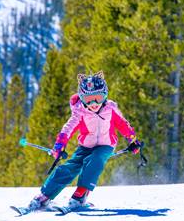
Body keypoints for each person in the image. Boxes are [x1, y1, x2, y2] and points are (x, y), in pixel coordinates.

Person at [28, 71, 141, 210]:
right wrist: (59, 145)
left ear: (105, 95)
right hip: (85, 146)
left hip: (106, 145)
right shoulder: (80, 112)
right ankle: (44, 196)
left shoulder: (110, 109)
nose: (94, 103)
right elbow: (68, 128)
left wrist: (132, 140)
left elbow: (123, 125)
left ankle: (80, 194)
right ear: (82, 99)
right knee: (69, 167)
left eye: (98, 98)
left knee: (95, 159)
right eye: (89, 99)